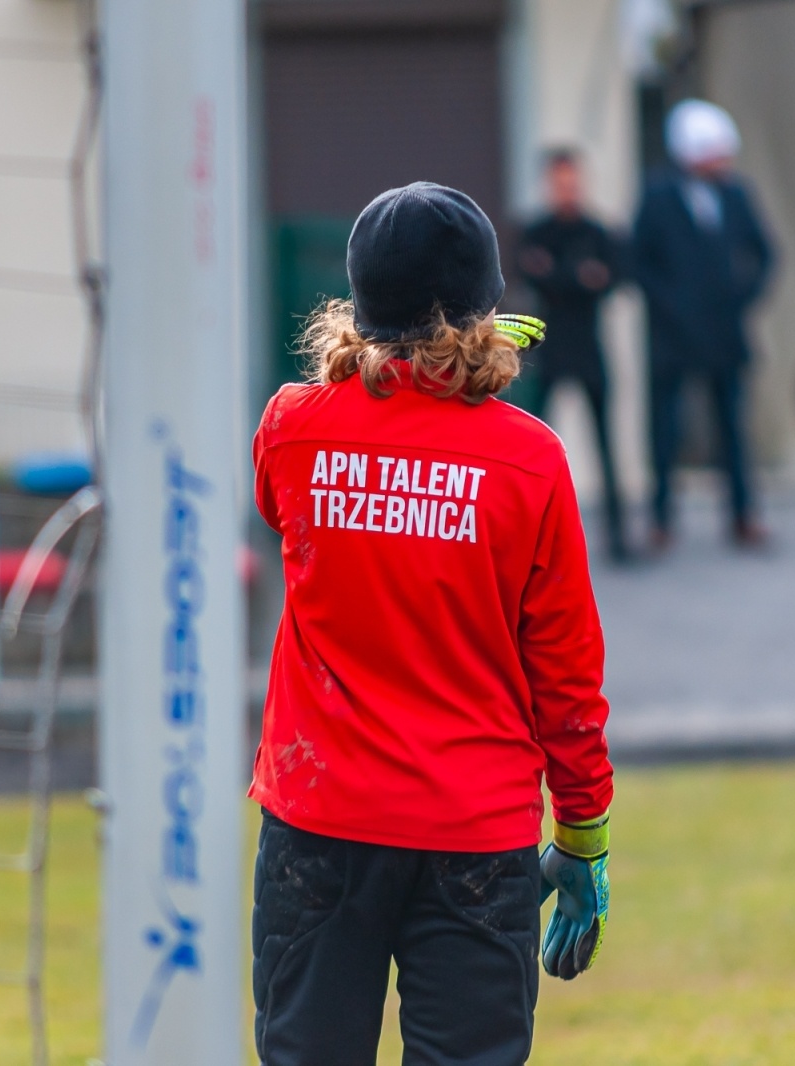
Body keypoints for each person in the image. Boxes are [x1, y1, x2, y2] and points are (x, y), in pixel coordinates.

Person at [250, 181, 615, 1066]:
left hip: (319, 818)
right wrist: (582, 832)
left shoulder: (289, 430)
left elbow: (285, 499)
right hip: (475, 835)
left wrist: (399, 380)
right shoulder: (532, 459)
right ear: (487, 310)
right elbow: (565, 671)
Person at [632, 99, 774, 550]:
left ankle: (741, 514)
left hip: (724, 333)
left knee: (732, 426)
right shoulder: (657, 197)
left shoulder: (736, 194)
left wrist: (742, 298)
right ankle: (661, 518)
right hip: (672, 338)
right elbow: (638, 262)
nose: (723, 161)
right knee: (666, 429)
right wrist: (671, 307)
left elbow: (764, 252)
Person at [515, 148, 629, 561]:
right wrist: (580, 277)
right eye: (560, 182)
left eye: (572, 181)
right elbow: (533, 272)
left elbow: (613, 276)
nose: (567, 190)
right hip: (549, 351)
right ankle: (526, 538)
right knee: (533, 448)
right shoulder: (537, 231)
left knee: (606, 444)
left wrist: (559, 275)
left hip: (590, 349)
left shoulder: (597, 232)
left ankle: (618, 535)